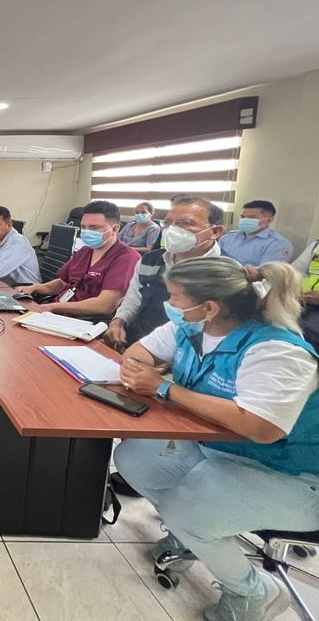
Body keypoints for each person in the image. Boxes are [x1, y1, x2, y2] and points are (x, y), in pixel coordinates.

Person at [113, 257, 319, 621]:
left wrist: (164, 387)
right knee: (134, 458)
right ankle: (189, 535)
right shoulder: (192, 326)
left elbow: (261, 427)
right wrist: (144, 368)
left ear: (210, 306)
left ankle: (254, 594)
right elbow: (137, 353)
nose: (169, 304)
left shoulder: (277, 350)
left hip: (291, 475)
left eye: (175, 297)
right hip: (220, 451)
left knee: (185, 508)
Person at [106, 196, 225, 348]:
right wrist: (118, 322)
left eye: (185, 223)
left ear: (215, 231)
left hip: (185, 353)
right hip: (135, 342)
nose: (172, 229)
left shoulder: (226, 274)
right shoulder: (150, 260)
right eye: (168, 223)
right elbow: (133, 299)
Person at [15, 200, 139, 319]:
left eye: (94, 228)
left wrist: (52, 307)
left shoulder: (126, 257)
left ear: (115, 229)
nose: (87, 232)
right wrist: (34, 288)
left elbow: (105, 305)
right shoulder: (85, 251)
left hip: (84, 321)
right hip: (56, 313)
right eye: (84, 227)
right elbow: (62, 283)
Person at [220, 200, 294, 266]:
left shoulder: (277, 244)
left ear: (268, 220)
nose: (244, 220)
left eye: (251, 218)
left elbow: (269, 273)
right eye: (243, 217)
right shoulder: (229, 236)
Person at [292, 237, 319, 351]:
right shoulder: (316, 246)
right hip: (301, 300)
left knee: (308, 331)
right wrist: (293, 291)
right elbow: (294, 270)